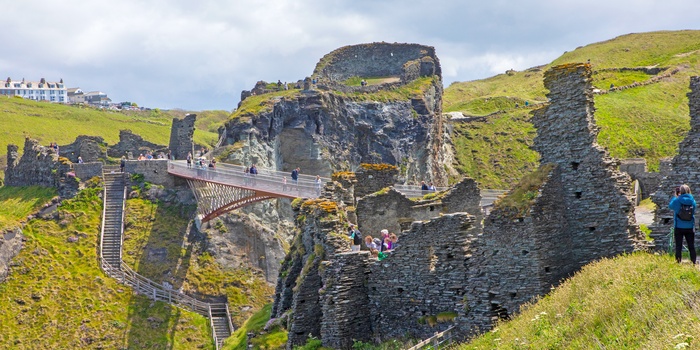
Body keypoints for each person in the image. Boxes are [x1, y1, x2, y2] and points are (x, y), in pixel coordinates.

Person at [669, 184, 697, 264]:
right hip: (690, 226)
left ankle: (678, 262)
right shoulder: (692, 201)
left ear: (680, 191)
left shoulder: (677, 200)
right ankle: (693, 262)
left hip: (678, 226)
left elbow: (670, 206)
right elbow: (694, 210)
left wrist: (676, 196)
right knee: (691, 246)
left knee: (678, 246)